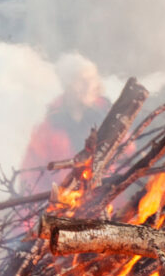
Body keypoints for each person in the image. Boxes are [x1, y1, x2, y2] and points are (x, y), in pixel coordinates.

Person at [18, 52, 107, 193]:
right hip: (68, 209)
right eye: (82, 80)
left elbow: (126, 161)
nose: (90, 85)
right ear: (68, 85)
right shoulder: (48, 129)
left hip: (111, 205)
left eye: (92, 79)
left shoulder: (109, 118)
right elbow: (30, 179)